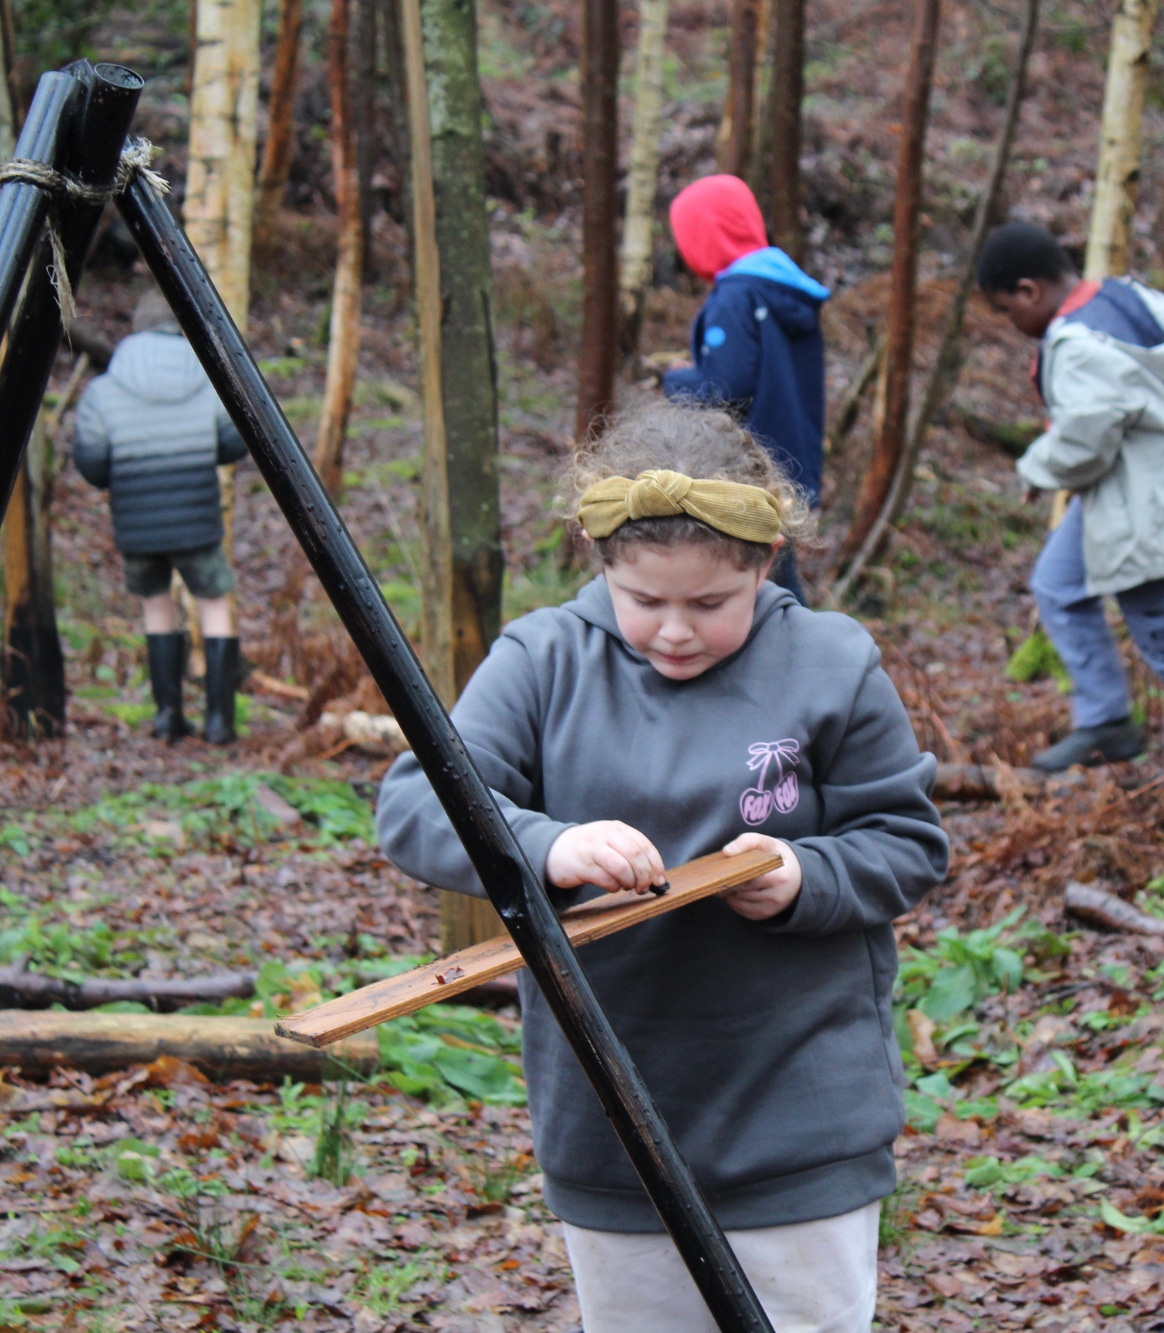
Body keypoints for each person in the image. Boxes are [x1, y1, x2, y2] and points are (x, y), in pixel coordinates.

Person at [375, 403, 948, 1332]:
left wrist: (805, 875)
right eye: (643, 600)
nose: (675, 630)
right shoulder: (543, 660)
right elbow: (416, 803)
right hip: (612, 1122)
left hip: (801, 1118)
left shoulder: (831, 664)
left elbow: (907, 839)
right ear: (600, 562)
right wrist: (547, 846)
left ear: (766, 562)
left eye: (710, 604)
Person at [974, 221, 1164, 772]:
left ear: (1029, 291)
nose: (1013, 324)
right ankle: (1107, 722)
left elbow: (1085, 442)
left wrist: (1034, 469)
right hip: (1136, 491)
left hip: (1151, 503)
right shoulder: (1126, 298)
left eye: (1008, 311)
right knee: (1058, 585)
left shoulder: (1079, 345)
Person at [73, 291, 248, 744]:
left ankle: (168, 716)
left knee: (156, 605)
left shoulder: (104, 390)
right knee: (214, 603)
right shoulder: (207, 376)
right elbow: (235, 440)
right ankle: (220, 722)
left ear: (137, 326)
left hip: (137, 524)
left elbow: (91, 463)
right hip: (197, 520)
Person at [662, 174, 830, 605]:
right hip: (790, 463)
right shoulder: (782, 288)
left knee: (765, 591)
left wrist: (676, 380)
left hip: (749, 472)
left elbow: (725, 390)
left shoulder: (736, 297)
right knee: (773, 582)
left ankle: (803, 649)